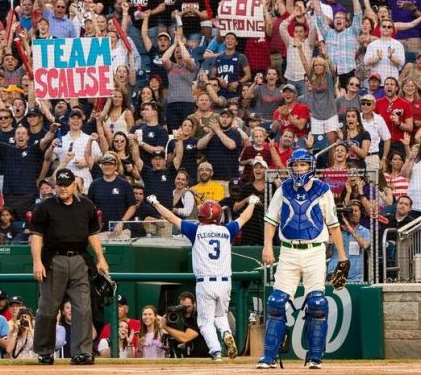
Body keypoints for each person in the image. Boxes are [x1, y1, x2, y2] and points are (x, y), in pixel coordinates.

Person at [258, 149, 350, 369]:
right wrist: (267, 246)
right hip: (288, 251)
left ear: (311, 166)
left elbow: (333, 225)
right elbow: (271, 220)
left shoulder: (323, 189)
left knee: (317, 304)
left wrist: (343, 257)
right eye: (296, 165)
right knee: (276, 303)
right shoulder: (283, 189)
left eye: (303, 165)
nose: (299, 169)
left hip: (315, 251)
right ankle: (269, 357)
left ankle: (315, 357)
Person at [147, 193, 258, 360]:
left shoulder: (196, 230)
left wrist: (155, 202)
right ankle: (226, 332)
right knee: (220, 315)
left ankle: (216, 351)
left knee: (205, 322)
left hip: (205, 282)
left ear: (201, 216)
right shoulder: (227, 230)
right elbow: (244, 217)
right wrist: (252, 203)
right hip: (225, 282)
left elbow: (170, 216)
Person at [30, 168, 109, 366]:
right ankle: (45, 351)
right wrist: (37, 262)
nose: (63, 188)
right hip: (54, 261)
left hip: (80, 260)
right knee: (48, 309)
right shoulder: (45, 206)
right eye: (60, 185)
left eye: (66, 185)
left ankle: (82, 352)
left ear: (75, 185)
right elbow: (36, 236)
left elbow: (93, 234)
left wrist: (101, 258)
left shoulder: (87, 206)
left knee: (83, 308)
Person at [327, 201, 370, 283]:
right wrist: (328, 244)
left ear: (361, 213)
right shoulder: (335, 230)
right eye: (351, 211)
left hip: (355, 277)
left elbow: (366, 246)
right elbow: (327, 255)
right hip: (334, 274)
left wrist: (350, 229)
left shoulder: (364, 231)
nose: (353, 213)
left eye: (356, 211)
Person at [158, 292, 209, 358]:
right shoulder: (178, 318)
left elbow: (184, 338)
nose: (186, 309)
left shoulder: (199, 318)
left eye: (189, 307)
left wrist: (165, 327)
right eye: (183, 307)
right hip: (188, 358)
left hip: (203, 358)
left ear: (194, 304)